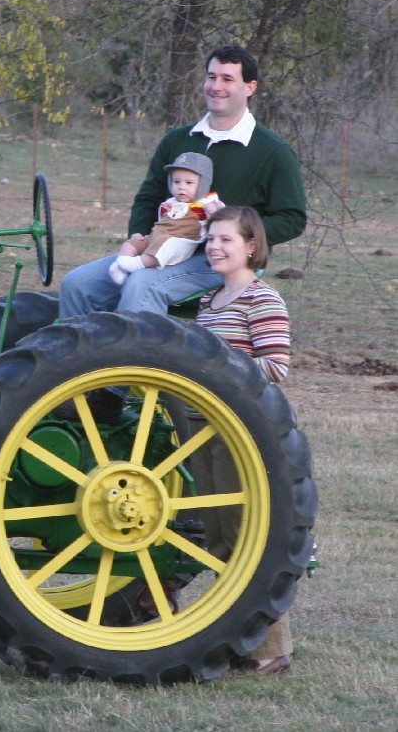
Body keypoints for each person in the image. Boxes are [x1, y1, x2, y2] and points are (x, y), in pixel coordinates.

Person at [59, 44, 307, 319]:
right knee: (77, 284)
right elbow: (148, 198)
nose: (216, 86)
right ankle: (87, 359)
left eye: (227, 79)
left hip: (219, 258)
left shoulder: (272, 151)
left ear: (250, 87)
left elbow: (292, 219)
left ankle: (138, 361)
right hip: (161, 247)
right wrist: (140, 237)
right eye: (211, 77)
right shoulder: (178, 140)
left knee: (142, 285)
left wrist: (238, 230)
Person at [190, 205, 294, 675]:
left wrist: (218, 371)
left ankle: (271, 648)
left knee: (244, 535)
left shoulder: (261, 299)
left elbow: (276, 368)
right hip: (199, 428)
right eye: (211, 238)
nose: (215, 246)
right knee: (215, 538)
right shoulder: (207, 303)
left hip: (239, 432)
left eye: (226, 240)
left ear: (251, 247)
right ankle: (238, 638)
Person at [108, 151, 224, 286]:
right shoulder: (170, 202)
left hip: (182, 240)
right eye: (176, 181)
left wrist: (214, 214)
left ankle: (137, 264)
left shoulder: (208, 202)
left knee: (167, 247)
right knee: (133, 243)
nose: (181, 186)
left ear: (203, 184)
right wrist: (143, 237)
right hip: (157, 236)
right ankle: (121, 265)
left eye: (189, 183)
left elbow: (222, 222)